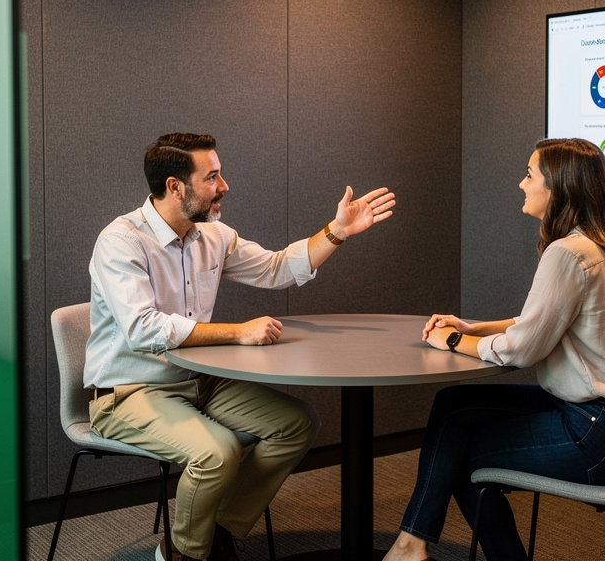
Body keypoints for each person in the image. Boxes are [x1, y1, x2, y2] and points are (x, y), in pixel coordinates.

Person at [85, 132, 396, 561]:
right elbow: (142, 329)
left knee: (297, 424)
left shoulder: (212, 235)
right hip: (128, 391)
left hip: (198, 381)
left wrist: (337, 231)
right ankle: (182, 554)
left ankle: (217, 531)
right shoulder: (121, 241)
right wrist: (237, 332)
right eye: (212, 177)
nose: (224, 185)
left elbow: (276, 268)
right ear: (175, 187)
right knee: (218, 452)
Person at [383, 137, 605, 561]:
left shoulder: (568, 253)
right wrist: (473, 327)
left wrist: (451, 340)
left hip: (594, 433)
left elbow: (521, 350)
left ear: (559, 188)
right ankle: (410, 544)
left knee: (461, 457)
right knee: (453, 406)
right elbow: (544, 321)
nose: (521, 184)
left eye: (530, 175)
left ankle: (417, 547)